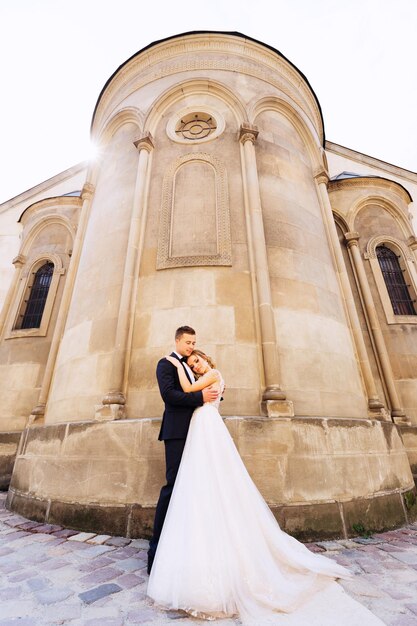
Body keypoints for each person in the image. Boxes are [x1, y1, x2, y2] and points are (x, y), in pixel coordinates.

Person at [147, 349, 385, 625]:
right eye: (191, 363)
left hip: (207, 429)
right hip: (202, 430)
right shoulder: (210, 377)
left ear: (206, 358)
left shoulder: (212, 373)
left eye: (197, 360)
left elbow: (188, 389)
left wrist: (177, 363)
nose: (195, 365)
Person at [147, 327, 219, 575]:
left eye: (194, 343)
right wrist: (202, 397)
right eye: (187, 342)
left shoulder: (191, 365)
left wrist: (212, 396)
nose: (191, 346)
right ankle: (155, 552)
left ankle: (188, 550)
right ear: (177, 340)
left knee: (195, 488)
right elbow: (169, 395)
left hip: (198, 431)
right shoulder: (165, 364)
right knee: (173, 486)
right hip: (177, 431)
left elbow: (204, 387)